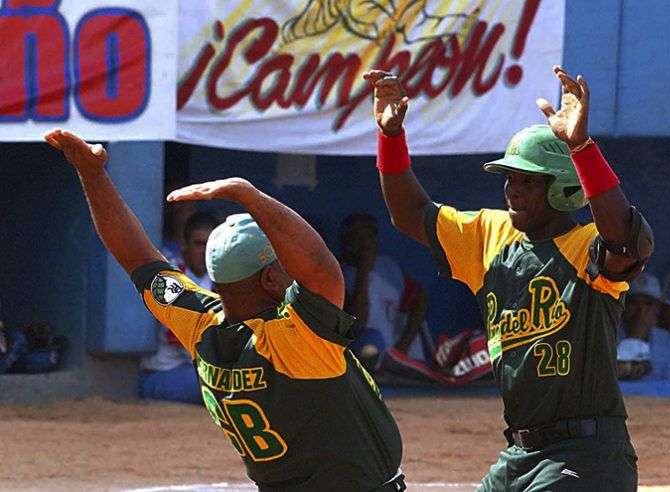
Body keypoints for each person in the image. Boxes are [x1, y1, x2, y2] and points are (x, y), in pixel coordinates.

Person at [44, 129, 405, 491]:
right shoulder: (296, 340)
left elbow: (137, 257)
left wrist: (92, 176)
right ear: (268, 279)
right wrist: (249, 195)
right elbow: (321, 266)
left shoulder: (202, 328)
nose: (291, 269)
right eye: (283, 263)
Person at [364, 65, 654, 491]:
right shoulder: (491, 234)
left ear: (563, 187)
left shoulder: (586, 243)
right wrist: (391, 138)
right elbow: (410, 215)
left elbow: (631, 242)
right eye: (510, 179)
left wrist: (582, 148)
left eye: (528, 182)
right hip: (519, 455)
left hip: (587, 455)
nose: (513, 190)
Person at [139, 211, 220, 404]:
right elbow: (184, 342)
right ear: (184, 245)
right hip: (162, 373)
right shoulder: (169, 278)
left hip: (198, 371)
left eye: (210, 244)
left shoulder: (222, 280)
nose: (205, 251)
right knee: (224, 387)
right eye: (199, 244)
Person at [339, 213, 430, 368]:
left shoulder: (388, 267)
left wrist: (403, 344)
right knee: (370, 342)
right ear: (347, 242)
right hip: (363, 347)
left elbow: (420, 300)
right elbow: (358, 324)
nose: (366, 244)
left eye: (370, 237)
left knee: (413, 342)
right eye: (358, 238)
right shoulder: (339, 274)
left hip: (395, 344)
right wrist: (363, 271)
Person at [617, 273, 670, 381]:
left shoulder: (669, 341)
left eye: (648, 304)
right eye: (634, 303)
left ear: (657, 309)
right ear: (623, 306)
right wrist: (636, 336)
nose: (641, 311)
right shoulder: (608, 336)